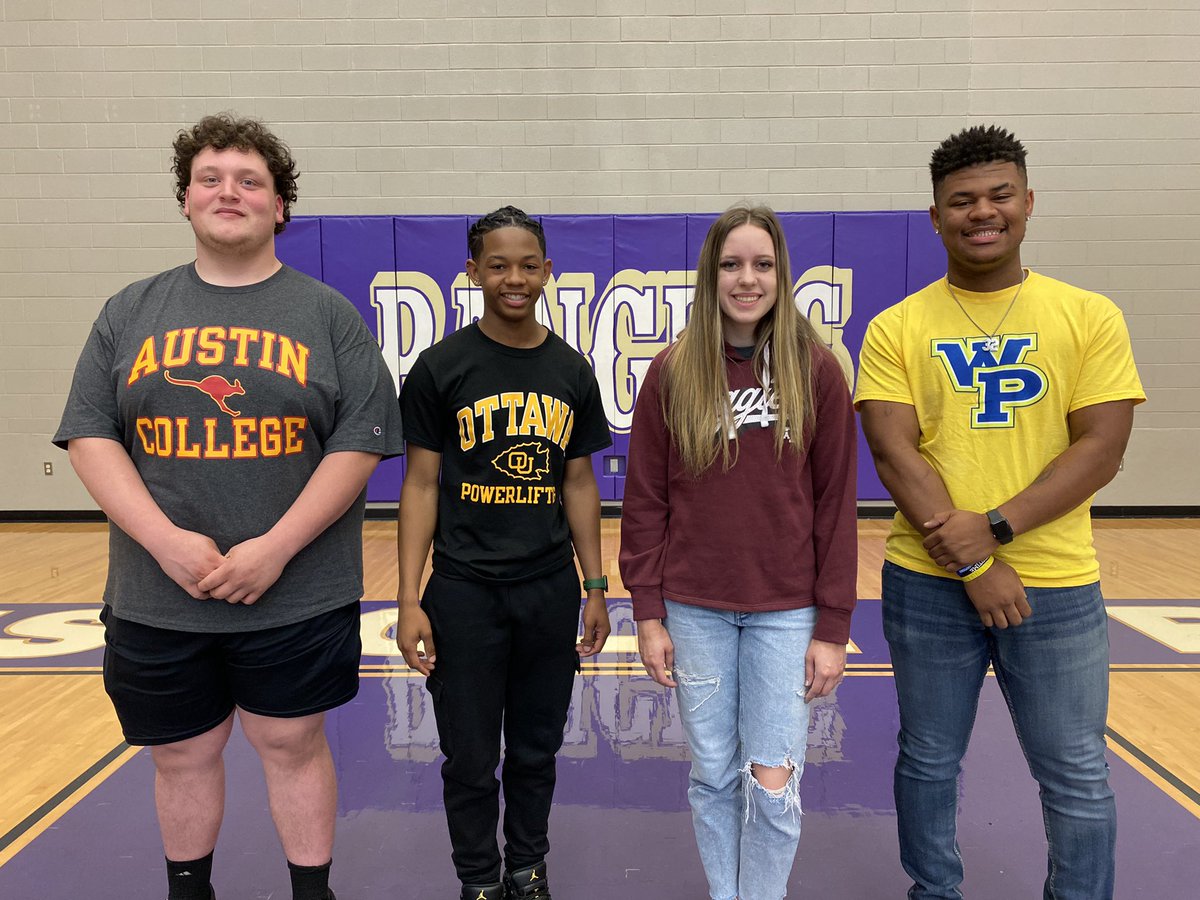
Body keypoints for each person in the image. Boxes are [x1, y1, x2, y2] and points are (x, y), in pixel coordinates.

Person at [53, 113, 403, 900]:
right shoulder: (129, 311)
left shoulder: (326, 315)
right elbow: (90, 436)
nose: (228, 192)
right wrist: (167, 543)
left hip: (296, 590)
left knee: (292, 742)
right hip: (157, 593)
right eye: (210, 178)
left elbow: (359, 443)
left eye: (250, 180)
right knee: (180, 752)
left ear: (281, 206)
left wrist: (276, 547)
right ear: (184, 200)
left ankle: (312, 893)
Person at [855, 125, 1145, 899]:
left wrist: (998, 529)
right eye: (962, 201)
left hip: (1055, 583)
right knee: (927, 758)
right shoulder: (897, 327)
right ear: (936, 216)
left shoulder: (1089, 315)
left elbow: (1101, 448)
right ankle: (935, 893)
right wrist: (977, 561)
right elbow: (896, 456)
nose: (981, 212)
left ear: (1027, 202)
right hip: (929, 585)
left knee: (1076, 770)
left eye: (998, 195)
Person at [619, 205, 858, 900]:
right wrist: (650, 612)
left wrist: (833, 626)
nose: (746, 279)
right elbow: (646, 502)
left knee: (773, 778)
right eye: (731, 264)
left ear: (782, 274)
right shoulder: (672, 372)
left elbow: (836, 507)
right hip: (695, 608)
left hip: (786, 611)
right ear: (710, 274)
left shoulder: (817, 372)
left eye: (761, 264)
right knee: (712, 774)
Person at [395, 206, 612, 900]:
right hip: (463, 592)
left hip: (548, 588)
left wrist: (596, 585)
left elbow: (578, 483)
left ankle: (528, 865)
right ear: (472, 272)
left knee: (536, 748)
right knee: (467, 754)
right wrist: (408, 597)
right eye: (497, 264)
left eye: (528, 265)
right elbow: (422, 483)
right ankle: (478, 879)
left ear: (548, 273)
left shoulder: (570, 369)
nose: (513, 278)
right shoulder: (440, 367)